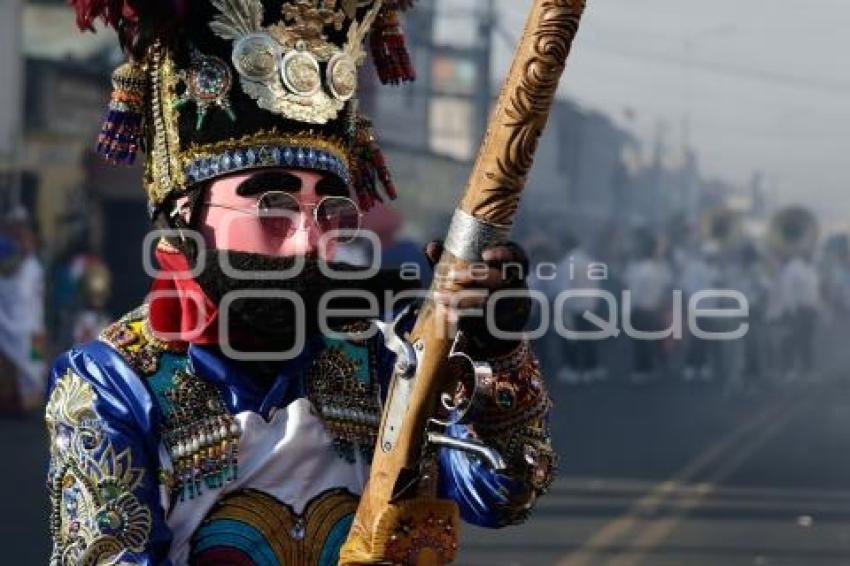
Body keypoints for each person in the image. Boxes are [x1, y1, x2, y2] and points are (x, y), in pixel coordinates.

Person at [45, 2, 555, 564]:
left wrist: (496, 357)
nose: (307, 242)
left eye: (332, 214)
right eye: (273, 209)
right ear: (186, 216)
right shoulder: (115, 382)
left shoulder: (382, 354)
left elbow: (503, 492)